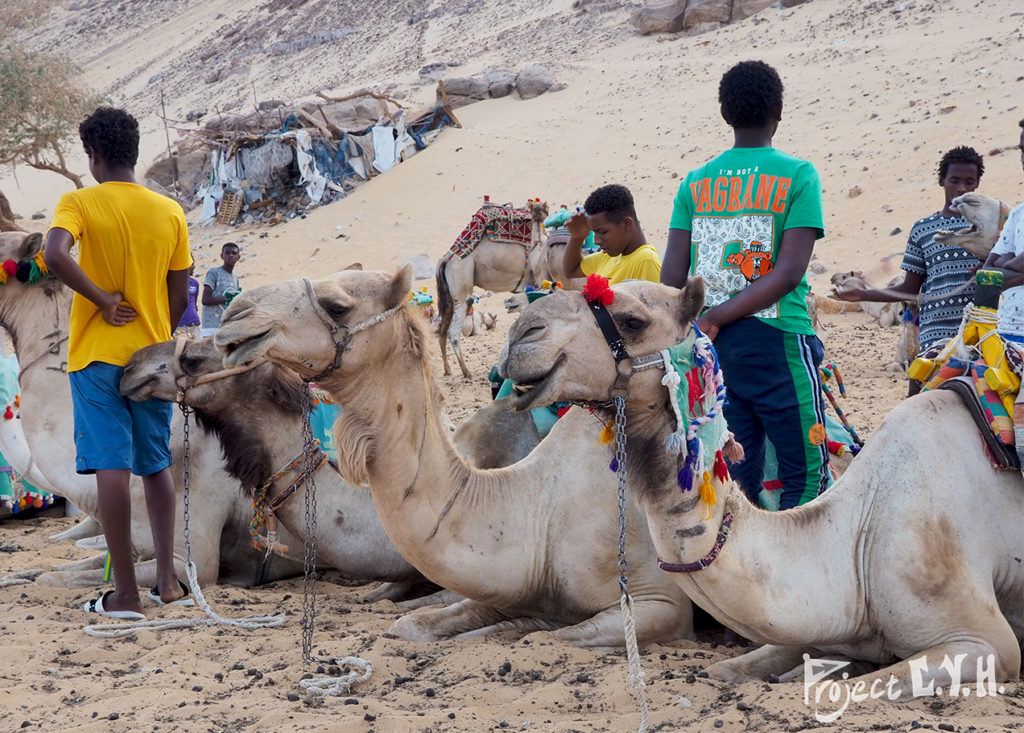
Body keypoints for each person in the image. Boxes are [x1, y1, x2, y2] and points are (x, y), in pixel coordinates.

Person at [43, 106, 193, 618]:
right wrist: (158, 337)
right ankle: (167, 582)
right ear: (134, 153)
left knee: (111, 467)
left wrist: (104, 301)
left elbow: (55, 254)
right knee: (155, 466)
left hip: (97, 356)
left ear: (95, 156)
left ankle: (125, 594)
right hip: (151, 360)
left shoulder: (79, 202)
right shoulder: (169, 211)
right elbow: (180, 293)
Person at [661, 59, 829, 511]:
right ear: (779, 108)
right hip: (780, 346)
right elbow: (789, 273)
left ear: (725, 113)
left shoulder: (694, 184)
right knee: (808, 471)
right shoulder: (798, 175)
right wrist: (719, 313)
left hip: (712, 352)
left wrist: (709, 318)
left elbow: (671, 279)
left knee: (732, 475)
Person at [833, 146, 986, 395]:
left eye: (969, 182)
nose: (961, 189)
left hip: (980, 340)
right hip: (935, 339)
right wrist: (862, 295)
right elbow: (908, 289)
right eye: (954, 180)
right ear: (941, 181)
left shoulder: (991, 227)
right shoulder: (923, 230)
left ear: (977, 184)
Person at [981, 117, 1024, 468]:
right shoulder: (1018, 215)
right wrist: (1013, 269)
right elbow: (987, 274)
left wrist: (1005, 269)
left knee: (1021, 438)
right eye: (1023, 150)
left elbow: (1000, 271)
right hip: (1003, 335)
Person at [562, 183, 662, 284]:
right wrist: (577, 237)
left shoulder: (646, 261)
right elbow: (571, 271)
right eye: (594, 232)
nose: (596, 241)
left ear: (626, 224)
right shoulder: (608, 256)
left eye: (602, 232)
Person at [201, 242, 240, 337]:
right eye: (227, 253)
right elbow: (205, 300)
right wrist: (228, 298)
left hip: (226, 326)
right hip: (211, 326)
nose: (231, 255)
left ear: (238, 257)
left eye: (234, 253)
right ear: (221, 256)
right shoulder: (214, 273)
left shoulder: (235, 278)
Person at [175, 263, 201, 338]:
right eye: (191, 264)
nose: (193, 266)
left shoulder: (195, 283)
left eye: (194, 264)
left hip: (194, 325)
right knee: (180, 348)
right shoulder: (173, 283)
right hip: (179, 327)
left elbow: (194, 304)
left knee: (197, 348)